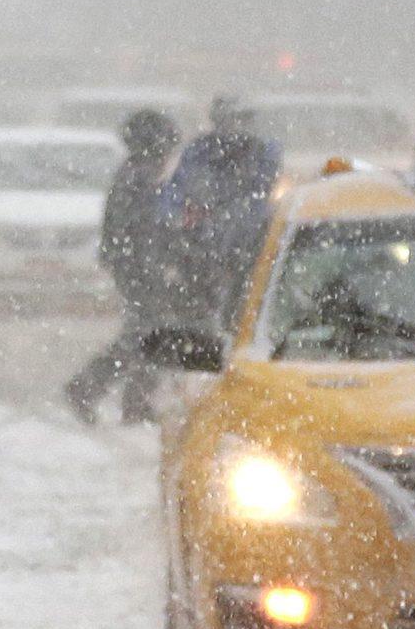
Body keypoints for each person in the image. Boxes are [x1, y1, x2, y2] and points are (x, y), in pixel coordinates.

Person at [64, 106, 186, 424]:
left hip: (134, 267)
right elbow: (143, 230)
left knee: (147, 335)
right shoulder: (139, 179)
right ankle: (91, 389)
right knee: (147, 335)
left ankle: (131, 398)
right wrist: (161, 261)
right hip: (139, 269)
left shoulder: (134, 175)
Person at [152, 96, 285, 341]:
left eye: (240, 121)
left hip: (245, 250)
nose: (235, 128)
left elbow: (258, 199)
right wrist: (177, 218)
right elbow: (175, 193)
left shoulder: (264, 151)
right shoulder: (199, 150)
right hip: (202, 252)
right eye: (228, 121)